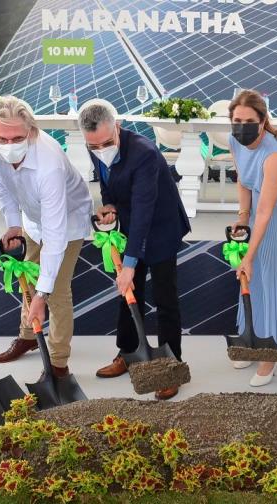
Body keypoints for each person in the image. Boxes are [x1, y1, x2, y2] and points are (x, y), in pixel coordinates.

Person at [79, 99, 191, 401]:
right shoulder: (97, 146)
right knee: (130, 295)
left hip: (161, 226)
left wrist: (129, 264)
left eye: (106, 142)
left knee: (165, 298)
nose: (101, 149)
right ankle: (128, 354)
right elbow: (107, 184)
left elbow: (144, 210)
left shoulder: (144, 154)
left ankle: (172, 366)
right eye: (94, 146)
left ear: (117, 126)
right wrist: (111, 205)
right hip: (131, 224)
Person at [0, 96, 92, 380]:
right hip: (32, 219)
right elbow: (1, 182)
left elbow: (55, 237)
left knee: (55, 290)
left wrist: (41, 297)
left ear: (31, 132)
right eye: (2, 138)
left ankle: (58, 363)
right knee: (28, 274)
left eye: (17, 137)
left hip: (66, 220)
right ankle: (28, 336)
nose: (9, 144)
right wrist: (12, 224)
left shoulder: (50, 164)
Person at [229, 89, 277, 387]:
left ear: (262, 121)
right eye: (236, 120)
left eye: (248, 120)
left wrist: (248, 255)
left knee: (273, 280)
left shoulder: (275, 153)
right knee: (255, 282)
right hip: (257, 215)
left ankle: (270, 356)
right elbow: (243, 182)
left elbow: (266, 211)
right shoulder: (234, 141)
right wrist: (241, 217)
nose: (241, 126)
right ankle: (253, 341)